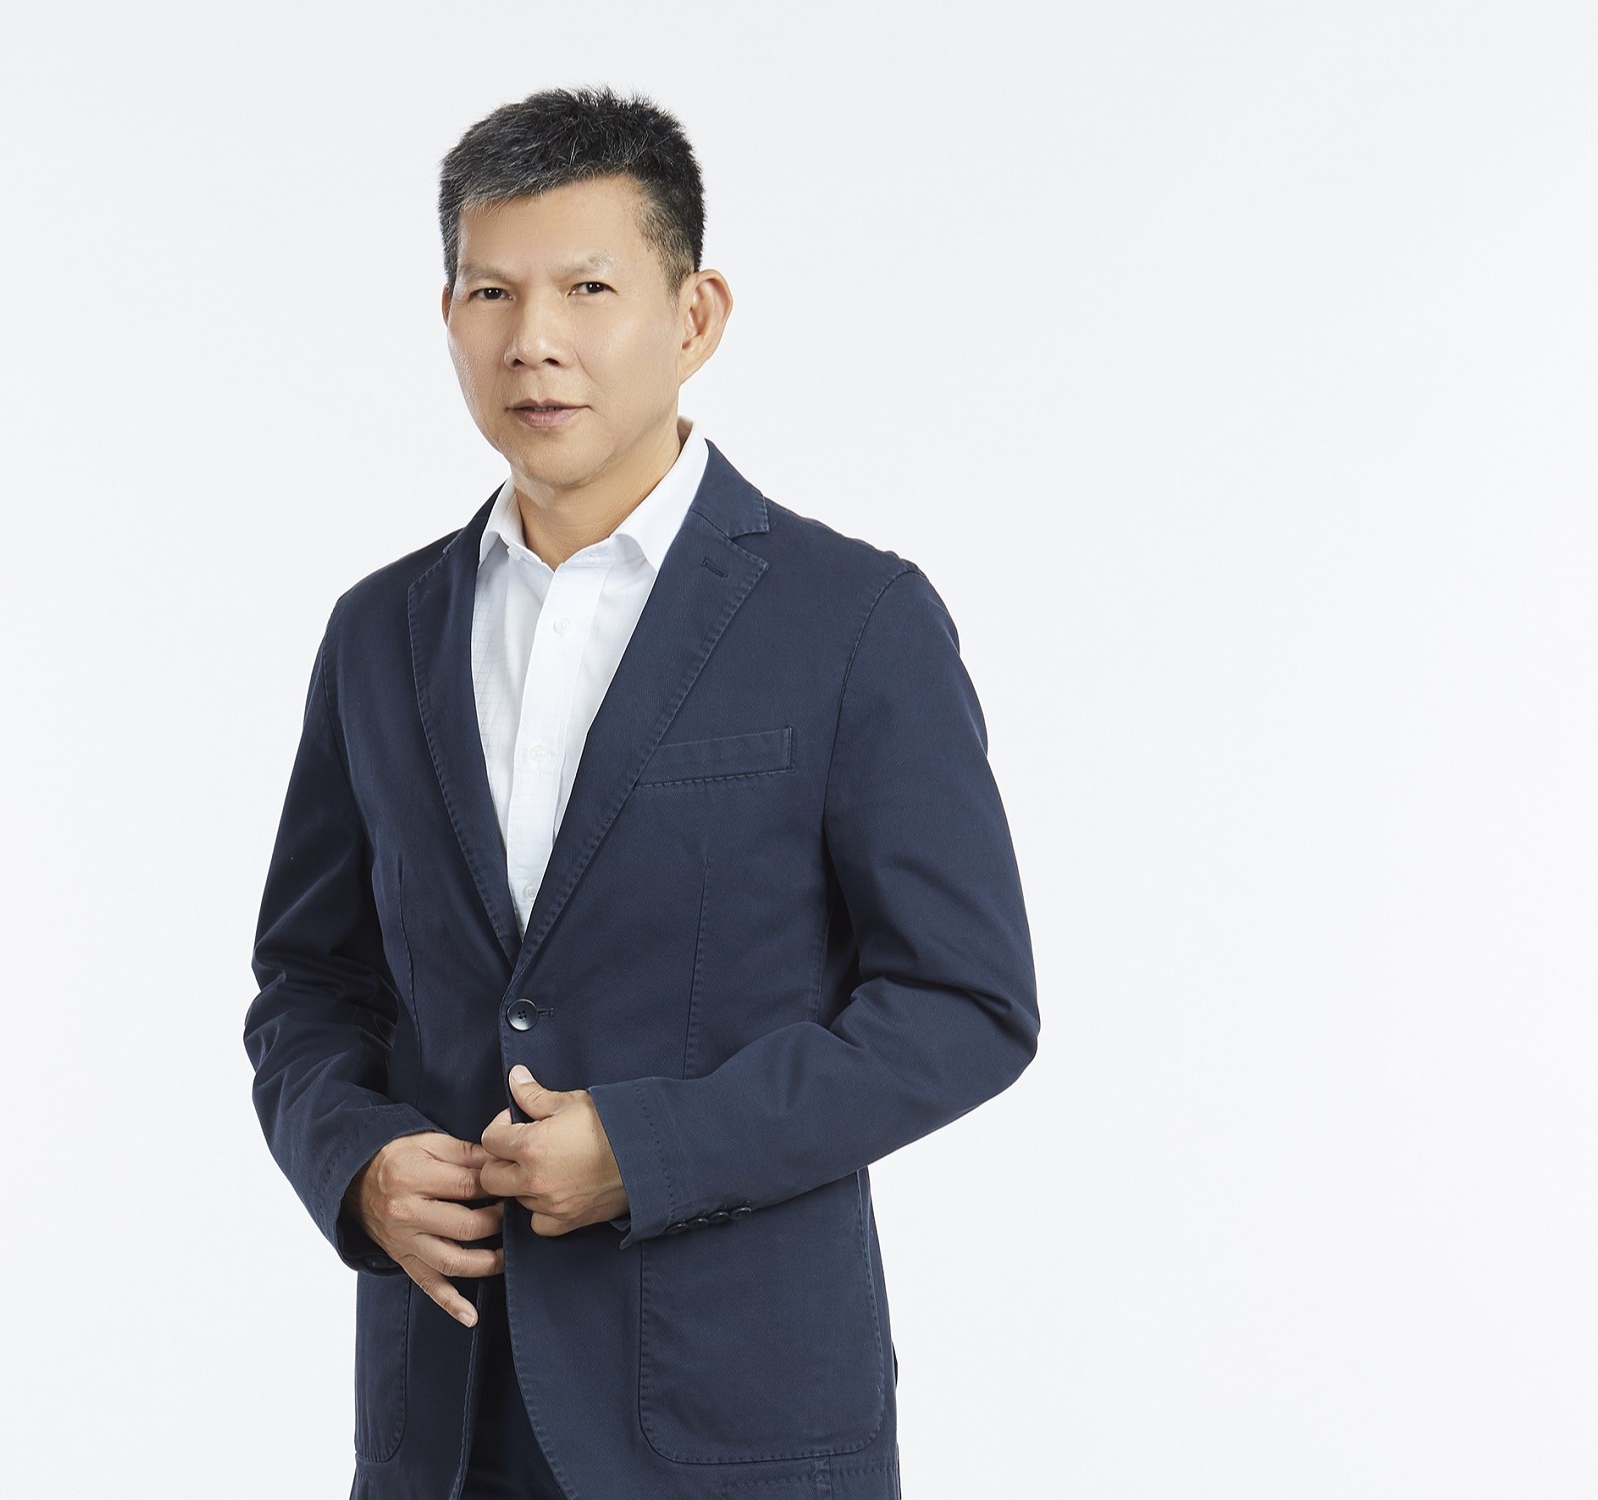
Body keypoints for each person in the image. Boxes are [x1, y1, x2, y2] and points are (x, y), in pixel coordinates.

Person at [243, 84, 1040, 1500]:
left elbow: (964, 1004)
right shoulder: (378, 633)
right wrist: (355, 1162)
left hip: (735, 1421)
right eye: (491, 291)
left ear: (695, 316)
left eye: (588, 288)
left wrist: (651, 1150)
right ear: (448, 317)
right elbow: (310, 983)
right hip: (447, 1417)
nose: (532, 340)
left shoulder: (851, 619)